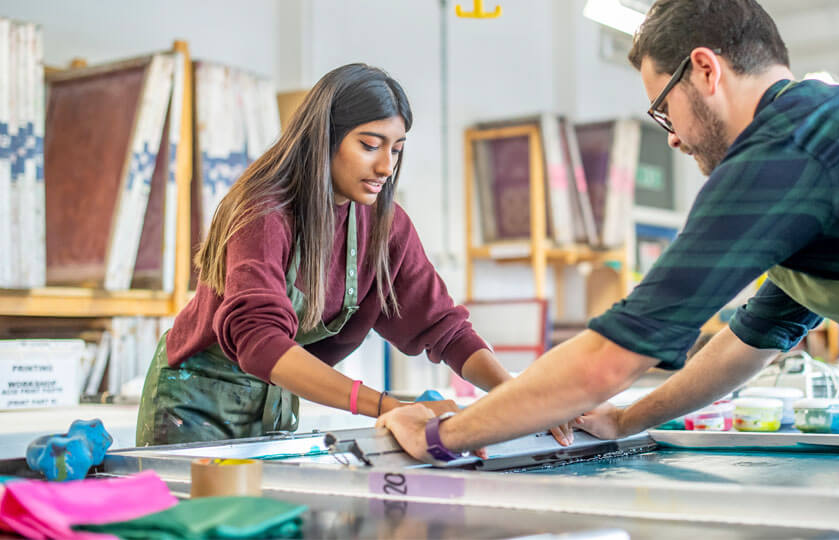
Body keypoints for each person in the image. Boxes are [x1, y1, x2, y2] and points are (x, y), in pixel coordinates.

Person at [378, 0, 839, 463]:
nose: (673, 136)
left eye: (663, 109)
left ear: (705, 69)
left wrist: (441, 436)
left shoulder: (782, 155)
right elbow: (750, 339)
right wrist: (626, 420)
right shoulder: (835, 134)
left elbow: (611, 357)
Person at [136, 63, 574, 446]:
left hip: (276, 402)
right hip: (195, 406)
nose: (386, 166)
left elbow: (444, 329)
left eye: (396, 149)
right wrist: (387, 406)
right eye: (370, 145)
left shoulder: (386, 226)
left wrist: (519, 399)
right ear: (325, 138)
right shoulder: (264, 213)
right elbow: (260, 342)